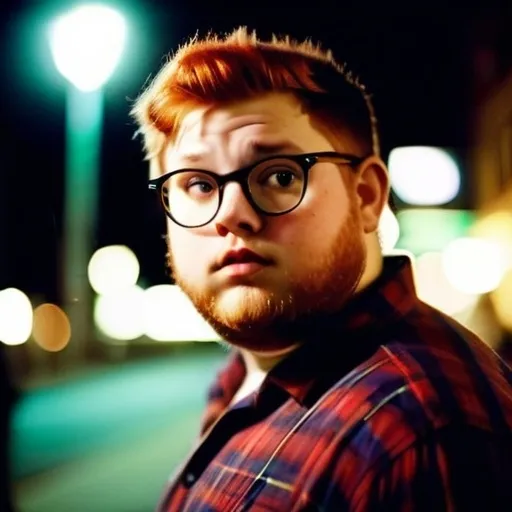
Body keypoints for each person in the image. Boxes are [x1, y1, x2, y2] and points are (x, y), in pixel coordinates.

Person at [131, 28, 512, 511]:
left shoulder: (419, 432)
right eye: (198, 185)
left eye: (280, 176)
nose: (231, 213)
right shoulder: (242, 376)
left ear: (367, 195)